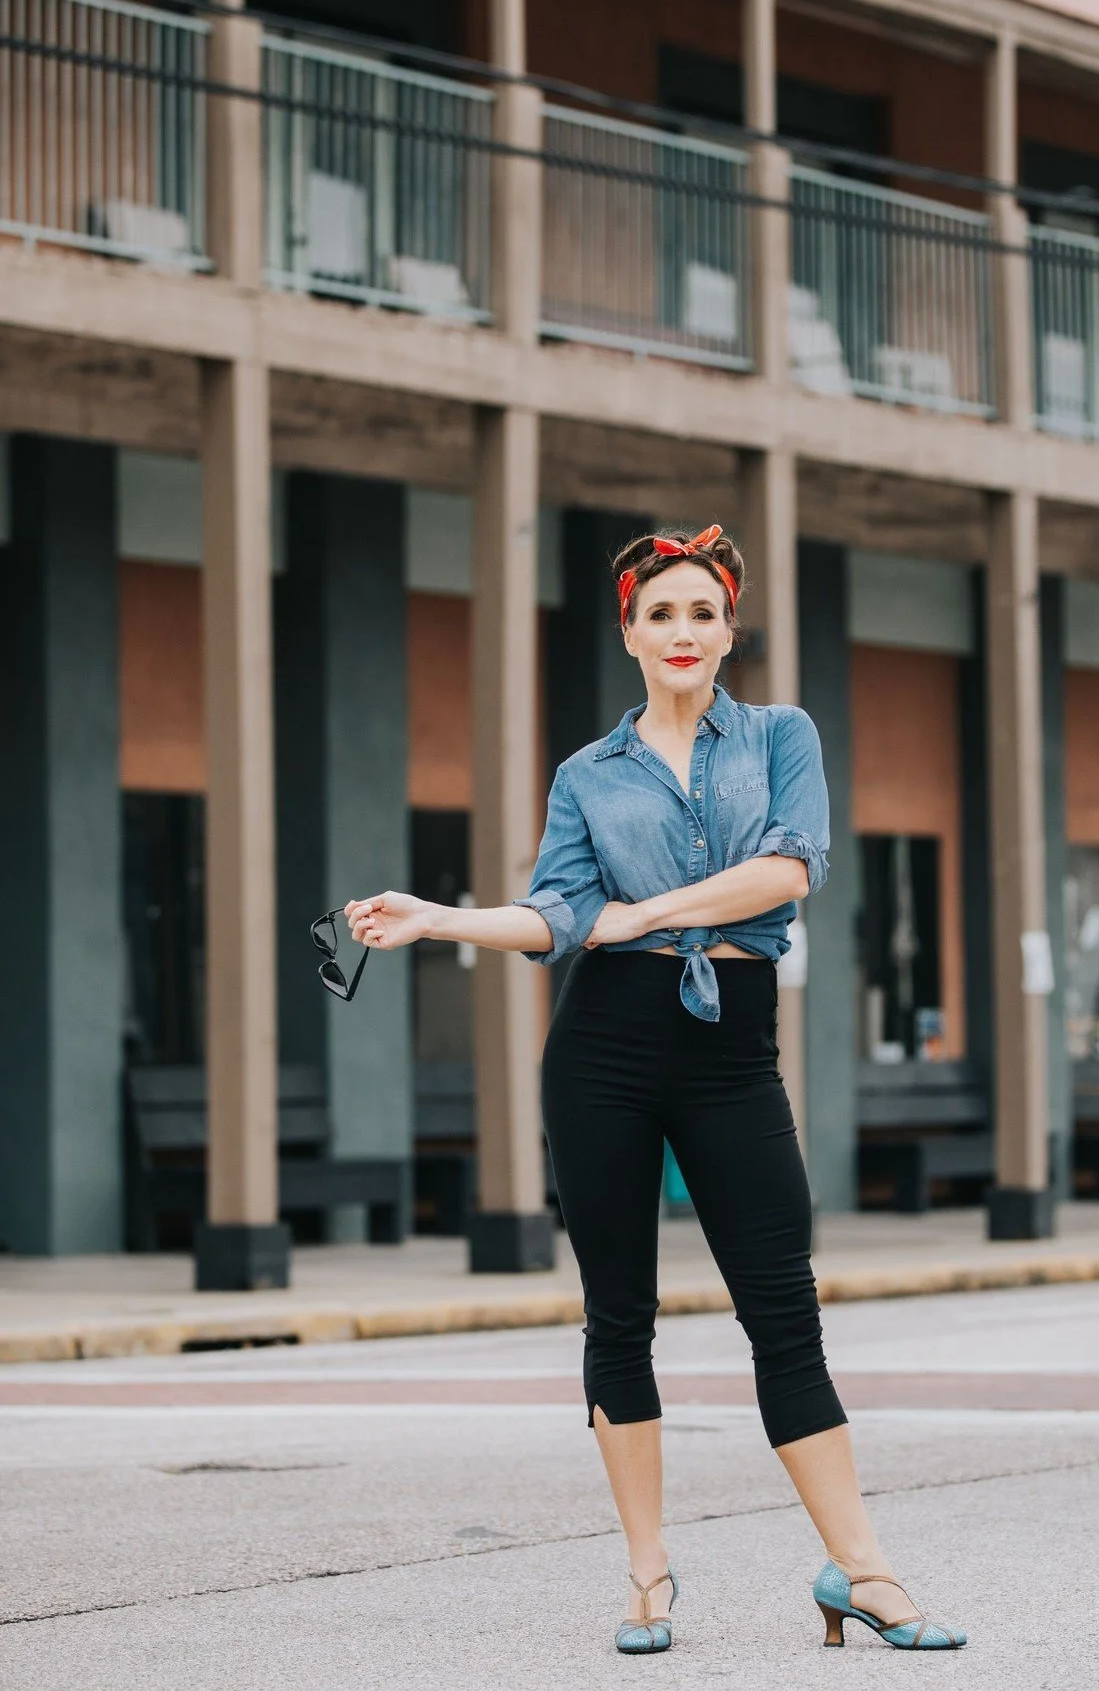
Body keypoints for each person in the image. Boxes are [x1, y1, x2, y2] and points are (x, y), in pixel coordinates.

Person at [344, 524, 965, 1655]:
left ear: (729, 631)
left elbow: (790, 868)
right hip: (604, 1047)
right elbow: (555, 915)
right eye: (659, 613)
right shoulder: (588, 773)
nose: (682, 632)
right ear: (627, 631)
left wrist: (643, 912)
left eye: (702, 613)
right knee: (616, 1312)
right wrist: (436, 918)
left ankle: (861, 1569)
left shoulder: (781, 736)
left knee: (782, 1309)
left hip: (730, 1043)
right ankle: (646, 1578)